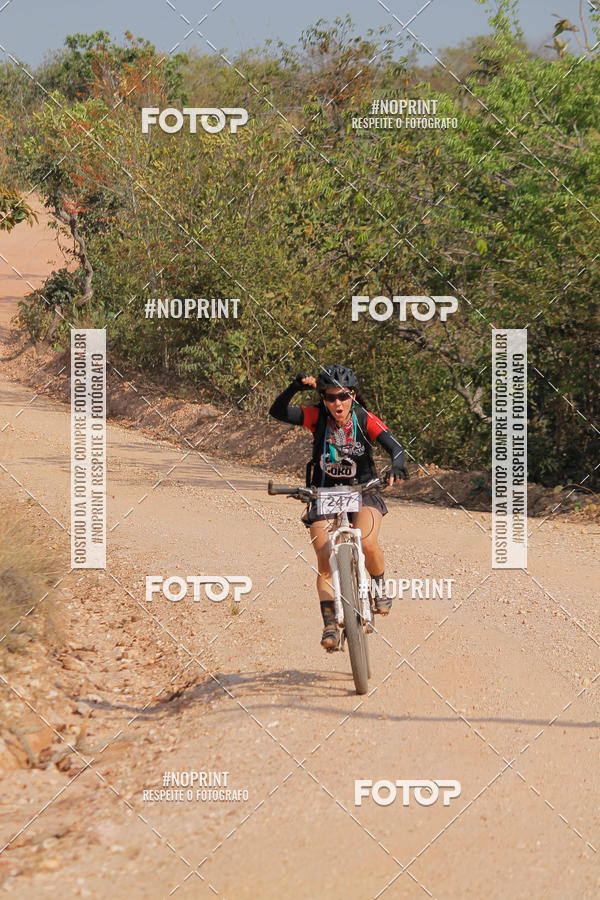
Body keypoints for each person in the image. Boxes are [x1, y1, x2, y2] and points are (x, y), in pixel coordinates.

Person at [269, 365, 408, 651]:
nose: (337, 403)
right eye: (330, 398)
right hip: (324, 492)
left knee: (368, 542)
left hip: (363, 489)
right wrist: (294, 388)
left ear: (353, 395)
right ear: (323, 399)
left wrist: (396, 466)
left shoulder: (363, 418)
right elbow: (278, 412)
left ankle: (379, 586)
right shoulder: (316, 417)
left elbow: (396, 447)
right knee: (325, 560)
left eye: (343, 396)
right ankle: (330, 624)